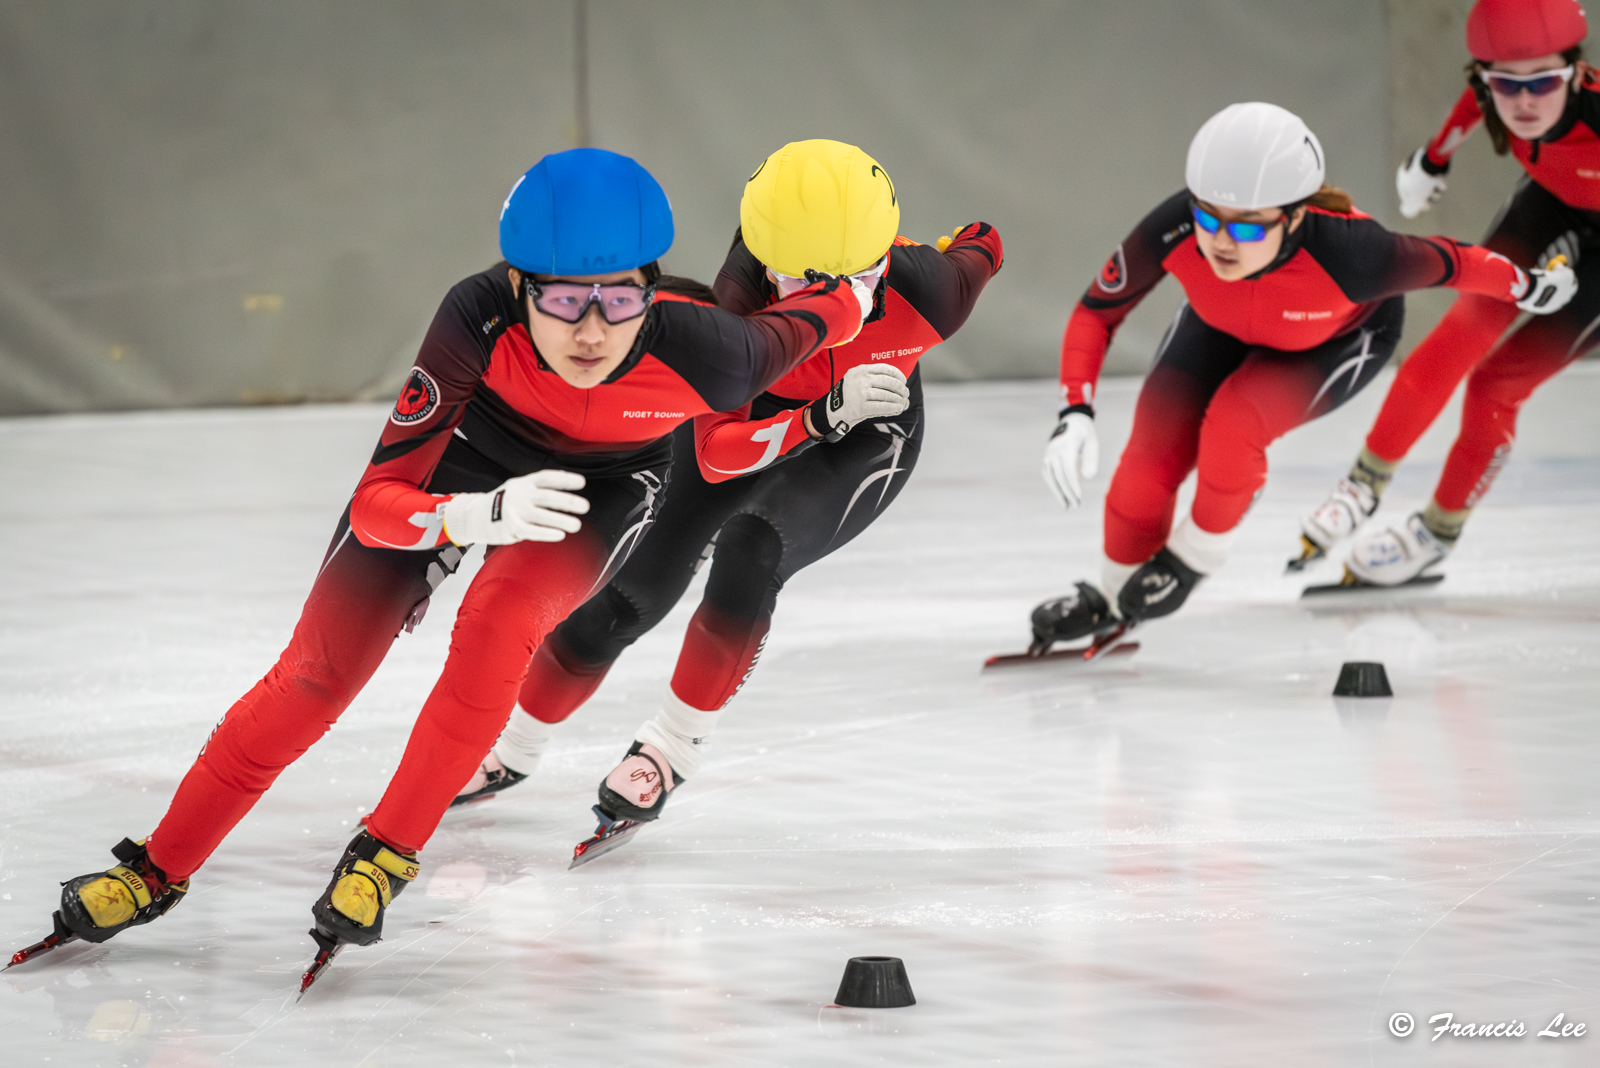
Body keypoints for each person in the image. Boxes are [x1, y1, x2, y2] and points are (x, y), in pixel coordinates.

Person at [32, 147, 870, 968]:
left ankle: (386, 854)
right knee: (316, 674)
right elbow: (379, 501)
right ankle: (155, 867)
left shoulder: (718, 351)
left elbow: (829, 310)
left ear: (651, 291)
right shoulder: (475, 315)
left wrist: (859, 283)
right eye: (563, 299)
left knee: (501, 626)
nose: (590, 330)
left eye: (619, 300)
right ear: (519, 286)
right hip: (464, 461)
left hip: (603, 486)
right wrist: (470, 515)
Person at [451, 139, 1002, 836]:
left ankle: (671, 749)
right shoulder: (741, 297)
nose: (828, 301)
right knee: (626, 595)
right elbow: (715, 456)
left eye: (853, 279)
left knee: (751, 550)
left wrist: (941, 248)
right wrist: (817, 416)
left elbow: (985, 240)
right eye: (795, 282)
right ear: (764, 257)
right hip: (765, 416)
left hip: (870, 427)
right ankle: (514, 748)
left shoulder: (934, 288)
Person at [1031, 101, 1575, 648]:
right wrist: (1074, 411)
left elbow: (1459, 262)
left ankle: (1198, 554)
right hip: (1219, 324)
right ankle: (1113, 596)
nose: (1221, 241)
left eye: (1247, 227)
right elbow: (1096, 311)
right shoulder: (1173, 225)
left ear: (1293, 216)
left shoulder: (1354, 253)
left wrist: (1530, 287)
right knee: (1149, 454)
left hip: (1332, 343)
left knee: (1235, 423)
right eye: (1208, 218)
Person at [1298, 0, 1599, 585]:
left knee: (1498, 383)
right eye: (1505, 85)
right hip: (1551, 204)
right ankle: (1363, 484)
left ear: (1578, 73)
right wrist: (1433, 159)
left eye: (1543, 81)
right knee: (1467, 325)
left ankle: (1438, 531)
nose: (1524, 102)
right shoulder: (1494, 95)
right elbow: (1473, 105)